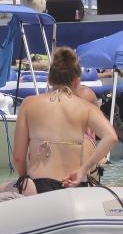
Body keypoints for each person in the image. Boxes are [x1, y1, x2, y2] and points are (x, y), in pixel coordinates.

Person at [8, 47, 117, 193]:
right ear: (76, 81)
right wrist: (84, 169)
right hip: (75, 185)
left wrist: (24, 181)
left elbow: (18, 158)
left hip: (40, 186)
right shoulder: (86, 107)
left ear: (50, 78)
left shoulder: (29, 104)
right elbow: (111, 137)